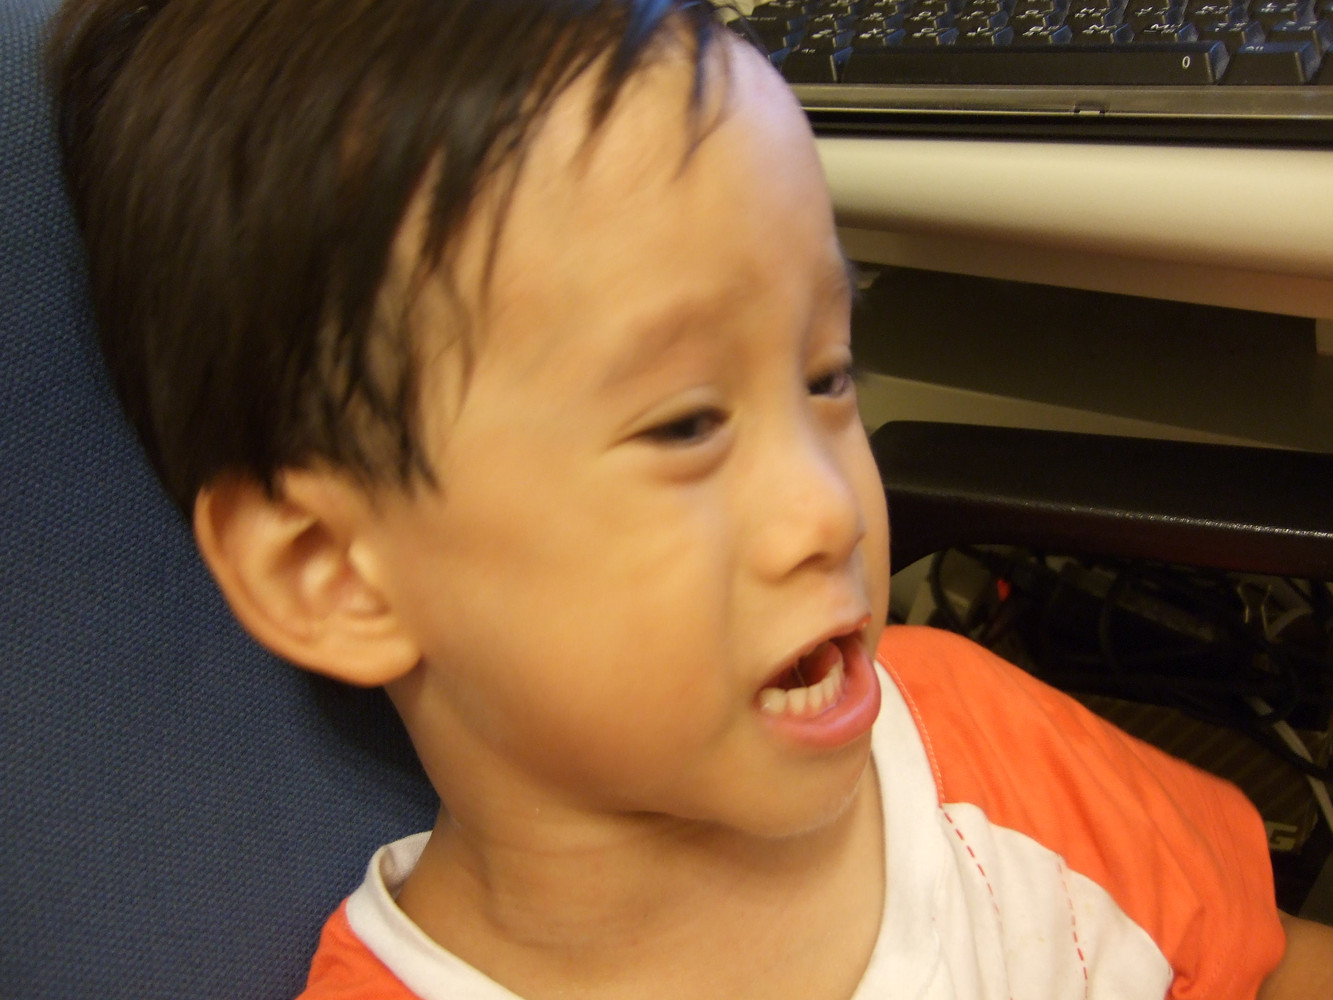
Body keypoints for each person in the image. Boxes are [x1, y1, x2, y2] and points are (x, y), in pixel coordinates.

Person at [46, 1, 1333, 997]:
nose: (831, 512)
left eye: (828, 375)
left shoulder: (975, 747)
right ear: (335, 572)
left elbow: (1265, 960)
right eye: (684, 424)